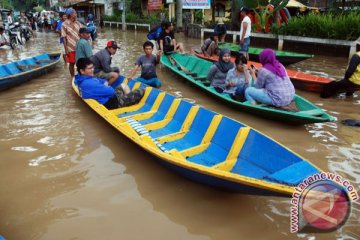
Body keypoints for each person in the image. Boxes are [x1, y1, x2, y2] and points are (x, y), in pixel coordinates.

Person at [75, 58, 145, 110]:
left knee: (123, 86)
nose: (92, 70)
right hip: (112, 103)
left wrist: (104, 85)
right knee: (141, 90)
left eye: (92, 67)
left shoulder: (81, 80)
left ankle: (128, 101)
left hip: (107, 98)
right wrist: (105, 86)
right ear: (82, 71)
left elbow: (102, 81)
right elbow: (111, 91)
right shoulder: (90, 83)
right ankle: (127, 103)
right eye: (89, 68)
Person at [61, 7, 83, 77]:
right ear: (70, 14)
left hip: (79, 47)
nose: (76, 14)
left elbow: (83, 32)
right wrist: (66, 49)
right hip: (70, 47)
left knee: (80, 62)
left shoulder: (78, 23)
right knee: (72, 63)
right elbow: (64, 38)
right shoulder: (64, 24)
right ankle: (72, 77)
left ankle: (80, 75)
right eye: (75, 13)